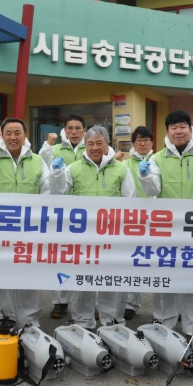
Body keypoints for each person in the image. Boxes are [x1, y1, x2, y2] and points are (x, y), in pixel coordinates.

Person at [138, 110, 193, 336]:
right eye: (174, 127)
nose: (178, 131)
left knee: (192, 280)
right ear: (167, 132)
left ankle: (189, 326)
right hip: (167, 230)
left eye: (183, 126)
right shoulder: (156, 158)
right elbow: (153, 190)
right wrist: (145, 177)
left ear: (190, 129)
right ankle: (164, 326)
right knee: (165, 278)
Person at [50, 125, 136, 328]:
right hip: (82, 238)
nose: (95, 147)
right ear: (85, 146)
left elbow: (131, 201)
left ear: (108, 144)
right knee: (82, 281)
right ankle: (82, 323)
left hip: (112, 238)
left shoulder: (121, 169)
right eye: (90, 144)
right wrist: (56, 175)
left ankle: (112, 323)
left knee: (111, 281)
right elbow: (58, 196)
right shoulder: (73, 168)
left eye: (99, 143)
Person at [0, 118, 50, 328]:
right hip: (0, 229)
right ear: (1, 136)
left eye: (17, 132)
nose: (13, 137)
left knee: (30, 276)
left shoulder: (37, 161)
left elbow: (47, 192)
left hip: (30, 229)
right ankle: (2, 319)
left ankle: (30, 322)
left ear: (25, 135)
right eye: (8, 133)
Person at [38, 114, 86, 319]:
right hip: (61, 212)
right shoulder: (54, 149)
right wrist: (46, 148)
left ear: (84, 130)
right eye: (70, 128)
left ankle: (86, 303)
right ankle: (60, 301)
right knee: (62, 256)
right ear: (64, 130)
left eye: (78, 128)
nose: (74, 132)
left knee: (86, 257)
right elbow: (44, 174)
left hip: (87, 213)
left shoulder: (92, 147)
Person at [120, 126, 156, 319]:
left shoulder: (158, 161)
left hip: (158, 220)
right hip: (133, 220)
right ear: (133, 144)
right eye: (139, 140)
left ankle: (167, 309)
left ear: (152, 142)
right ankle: (131, 304)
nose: (142, 143)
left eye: (146, 139)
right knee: (133, 261)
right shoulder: (124, 164)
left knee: (161, 262)